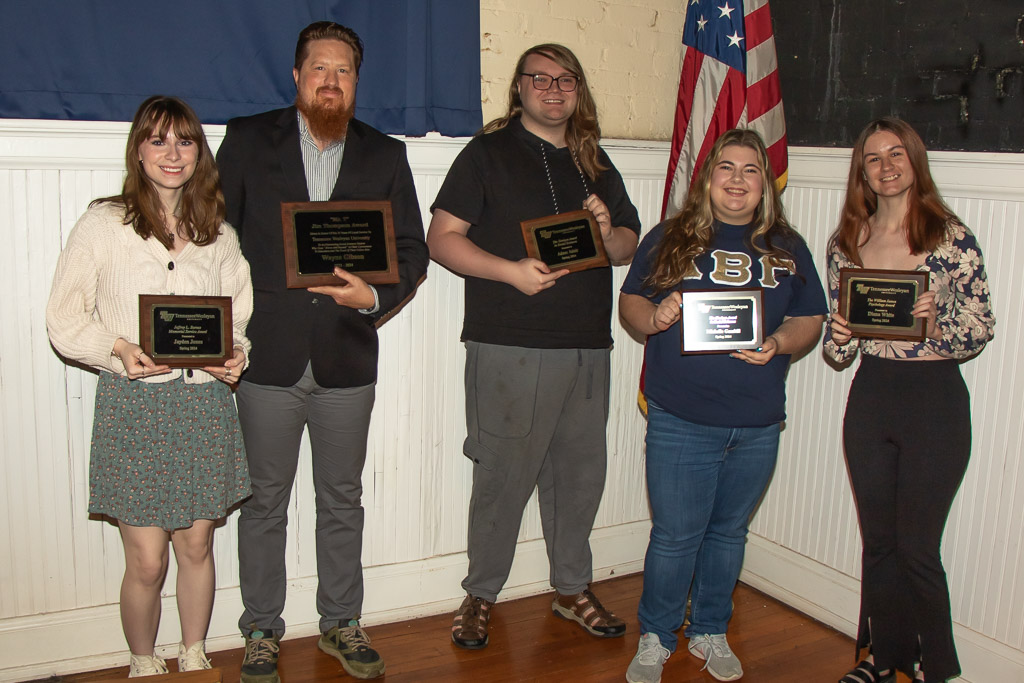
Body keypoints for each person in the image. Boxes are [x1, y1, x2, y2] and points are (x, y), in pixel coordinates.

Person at [215, 20, 428, 683]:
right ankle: (260, 631)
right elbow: (214, 240)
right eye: (320, 69)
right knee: (264, 503)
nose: (331, 81)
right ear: (297, 76)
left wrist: (372, 295)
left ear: (356, 83)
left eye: (344, 71)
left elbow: (414, 253)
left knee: (342, 499)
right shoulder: (249, 140)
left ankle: (341, 620)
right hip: (266, 359)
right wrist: (223, 330)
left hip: (346, 362)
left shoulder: (385, 154)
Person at [427, 43, 641, 650]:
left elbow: (628, 243)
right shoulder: (485, 155)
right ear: (518, 88)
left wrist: (607, 233)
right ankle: (480, 594)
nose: (553, 89)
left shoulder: (595, 162)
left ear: (579, 90)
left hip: (587, 347)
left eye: (565, 79)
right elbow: (442, 239)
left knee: (579, 476)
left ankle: (572, 588)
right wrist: (510, 272)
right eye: (539, 78)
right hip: (510, 346)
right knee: (502, 477)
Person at [45, 95, 252, 677]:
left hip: (204, 408)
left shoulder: (218, 233)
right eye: (158, 140)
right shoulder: (103, 223)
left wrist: (236, 356)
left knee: (197, 548)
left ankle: (192, 651)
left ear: (199, 153)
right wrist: (117, 350)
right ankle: (141, 659)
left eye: (185, 141)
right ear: (138, 149)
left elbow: (236, 318)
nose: (172, 153)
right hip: (135, 408)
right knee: (146, 561)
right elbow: (63, 318)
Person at [619, 129, 827, 683]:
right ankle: (656, 637)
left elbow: (809, 318)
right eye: (726, 168)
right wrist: (654, 317)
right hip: (681, 416)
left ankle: (710, 629)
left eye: (750, 170)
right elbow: (631, 302)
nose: (737, 180)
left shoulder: (788, 245)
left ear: (766, 183)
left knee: (728, 534)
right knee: (674, 535)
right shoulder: (670, 236)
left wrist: (779, 343)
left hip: (757, 420)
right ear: (707, 178)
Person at [824, 118, 995, 683]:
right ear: (863, 173)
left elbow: (980, 328)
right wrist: (842, 336)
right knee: (878, 542)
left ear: (914, 160)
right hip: (872, 395)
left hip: (933, 400)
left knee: (918, 546)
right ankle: (882, 656)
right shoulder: (847, 242)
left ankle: (935, 667)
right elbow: (836, 347)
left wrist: (937, 321)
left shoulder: (950, 238)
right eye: (873, 158)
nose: (887, 166)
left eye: (897, 154)